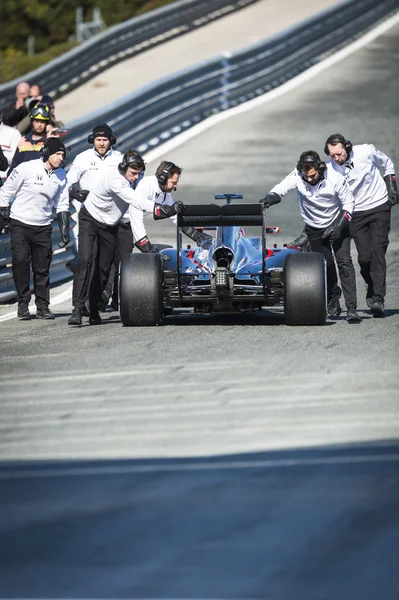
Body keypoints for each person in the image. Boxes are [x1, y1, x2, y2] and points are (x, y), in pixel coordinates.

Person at [68, 149, 182, 327]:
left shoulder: (135, 180)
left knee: (104, 268)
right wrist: (161, 209)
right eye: (133, 173)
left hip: (109, 226)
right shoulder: (116, 179)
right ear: (123, 168)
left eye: (138, 174)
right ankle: (77, 309)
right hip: (89, 218)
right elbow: (136, 200)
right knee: (86, 260)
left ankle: (95, 309)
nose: (135, 177)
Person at [262, 150, 361, 323]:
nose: (308, 179)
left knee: (344, 262)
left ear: (320, 168)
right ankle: (333, 297)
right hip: (314, 229)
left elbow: (349, 204)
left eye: (312, 175)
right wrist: (269, 198)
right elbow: (281, 188)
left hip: (338, 224)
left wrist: (338, 227)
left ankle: (352, 308)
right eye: (304, 175)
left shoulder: (335, 178)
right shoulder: (299, 175)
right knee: (325, 265)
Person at [325, 133, 398, 318]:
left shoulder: (366, 151)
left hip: (379, 206)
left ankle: (378, 298)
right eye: (332, 155)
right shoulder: (330, 169)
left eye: (339, 154)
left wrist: (392, 187)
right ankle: (371, 286)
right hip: (355, 213)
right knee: (365, 258)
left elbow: (387, 163)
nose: (337, 158)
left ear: (347, 148)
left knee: (377, 251)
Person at [0, 137, 70, 319]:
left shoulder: (61, 175)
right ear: (47, 153)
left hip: (43, 226)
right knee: (21, 261)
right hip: (20, 223)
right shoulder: (26, 168)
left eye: (62, 155)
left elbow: (62, 204)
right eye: (57, 154)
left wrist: (64, 229)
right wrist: (2, 213)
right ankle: (23, 302)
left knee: (42, 267)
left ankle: (42, 306)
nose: (60, 158)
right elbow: (5, 191)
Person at [129, 160, 212, 252]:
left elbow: (175, 216)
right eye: (173, 182)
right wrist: (148, 249)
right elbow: (136, 220)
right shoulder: (146, 186)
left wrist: (196, 235)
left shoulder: (165, 192)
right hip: (121, 223)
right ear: (162, 179)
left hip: (129, 223)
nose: (176, 185)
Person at [8, 104, 52, 174]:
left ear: (47, 123)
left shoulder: (50, 142)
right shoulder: (23, 141)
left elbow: (60, 165)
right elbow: (14, 166)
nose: (39, 125)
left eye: (42, 121)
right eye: (37, 121)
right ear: (32, 121)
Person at [0, 114, 22, 183]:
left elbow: (18, 158)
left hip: (6, 178)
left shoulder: (13, 133)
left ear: (0, 117)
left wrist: (1, 155)